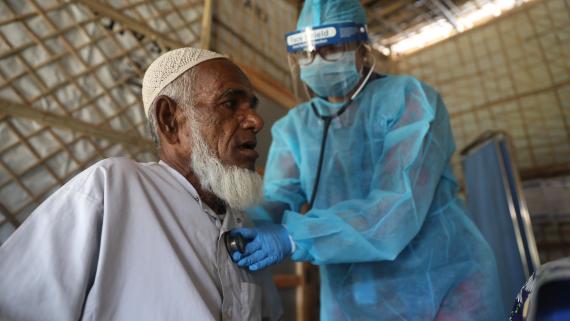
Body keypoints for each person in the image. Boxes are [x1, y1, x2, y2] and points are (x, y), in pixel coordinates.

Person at [229, 0, 505, 320]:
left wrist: (294, 237)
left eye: (331, 48)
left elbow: (396, 208)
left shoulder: (410, 102)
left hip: (441, 283)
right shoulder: (296, 127)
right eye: (306, 53)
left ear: (362, 49)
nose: (316, 60)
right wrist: (240, 224)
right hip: (351, 297)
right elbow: (276, 198)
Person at [0, 47, 283, 321]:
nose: (256, 121)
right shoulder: (111, 188)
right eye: (230, 104)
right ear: (169, 120)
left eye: (252, 107)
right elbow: (14, 306)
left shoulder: (243, 224)